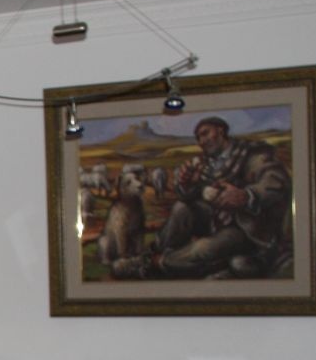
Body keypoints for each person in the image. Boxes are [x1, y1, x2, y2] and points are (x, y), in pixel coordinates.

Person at [112, 115, 291, 279]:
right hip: (214, 221)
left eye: (205, 134)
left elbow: (276, 182)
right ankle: (153, 254)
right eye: (198, 138)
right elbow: (193, 196)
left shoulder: (252, 154)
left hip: (245, 226)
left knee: (203, 248)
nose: (202, 141)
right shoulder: (205, 162)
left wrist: (245, 195)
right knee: (181, 209)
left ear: (220, 131)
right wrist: (187, 184)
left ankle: (154, 264)